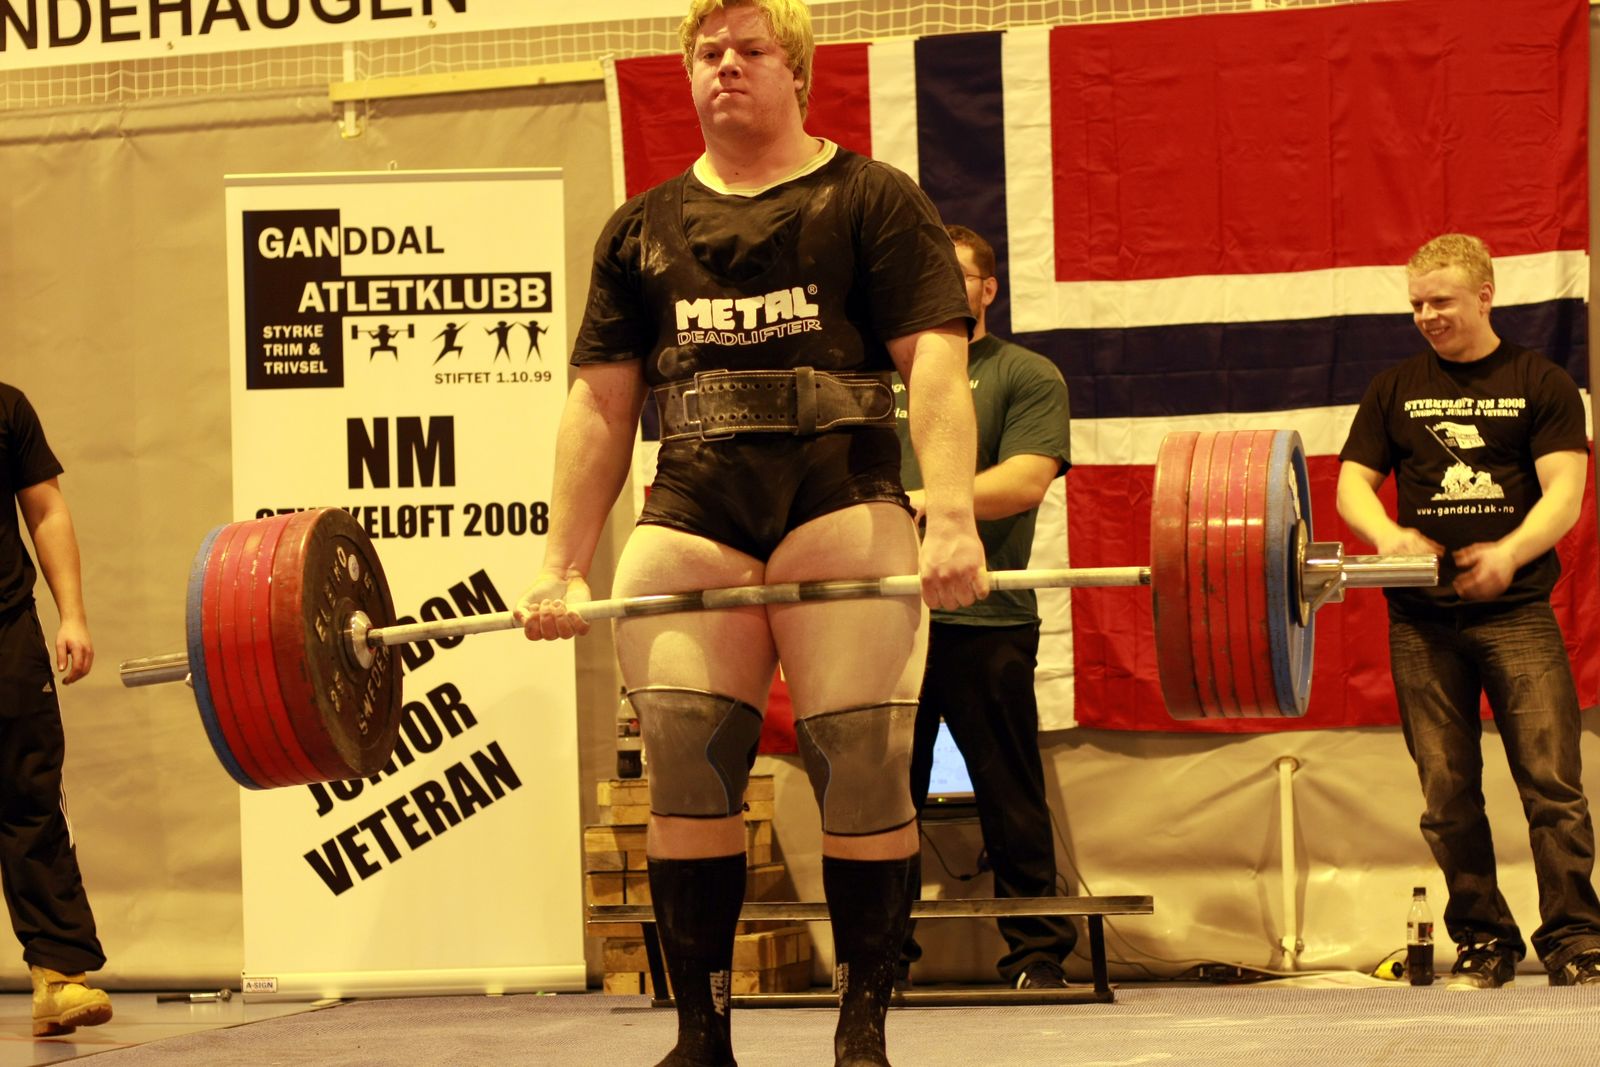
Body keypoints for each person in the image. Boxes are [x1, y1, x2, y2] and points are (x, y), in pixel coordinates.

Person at [514, 2, 985, 1064]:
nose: (725, 66)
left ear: (797, 71)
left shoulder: (872, 197)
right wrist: (558, 566)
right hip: (693, 509)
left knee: (863, 762)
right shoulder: (639, 228)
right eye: (708, 52)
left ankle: (860, 1032)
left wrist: (950, 516)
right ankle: (701, 1038)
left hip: (840, 502)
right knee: (684, 769)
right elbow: (600, 405)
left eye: (751, 50)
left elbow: (936, 364)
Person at [1336, 233, 1600, 989]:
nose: (1426, 316)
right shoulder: (1394, 387)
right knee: (1446, 795)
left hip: (1518, 614)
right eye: (1416, 303)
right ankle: (1484, 938)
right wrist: (1388, 536)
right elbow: (1352, 484)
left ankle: (1575, 936)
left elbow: (1565, 493)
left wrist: (1509, 553)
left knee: (1552, 786)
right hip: (1421, 623)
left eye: (1440, 301)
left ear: (1485, 296)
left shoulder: (1542, 381)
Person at [891, 224, 1075, 990]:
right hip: (884, 622)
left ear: (987, 288)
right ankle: (880, 960)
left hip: (986, 618)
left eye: (955, 275)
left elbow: (1026, 481)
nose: (938, 287)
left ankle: (1037, 955)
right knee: (881, 797)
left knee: (1010, 795)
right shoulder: (878, 376)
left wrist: (915, 500)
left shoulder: (1026, 374)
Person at [0, 382, 114, 1034]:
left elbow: (45, 510)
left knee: (32, 799)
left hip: (7, 631)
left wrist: (72, 614)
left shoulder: (7, 407)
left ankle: (59, 975)